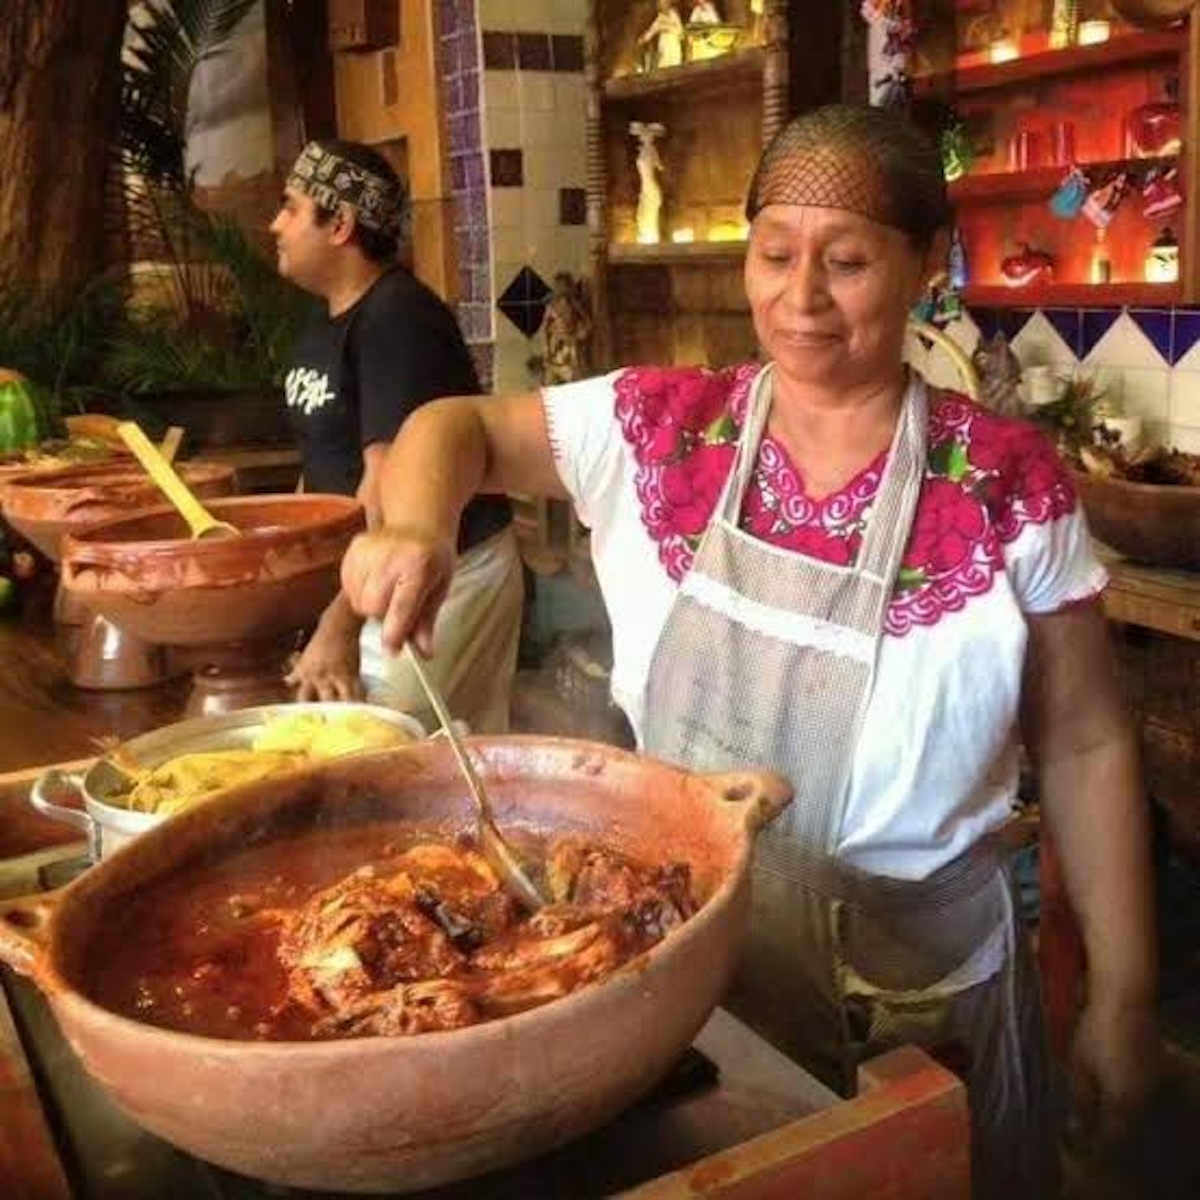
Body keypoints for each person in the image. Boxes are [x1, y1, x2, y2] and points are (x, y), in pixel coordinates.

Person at [336, 106, 1160, 1196]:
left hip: (919, 1004)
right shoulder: (664, 428)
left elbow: (1089, 742)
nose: (802, 296)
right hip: (679, 972)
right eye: (776, 254)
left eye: (849, 260)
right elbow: (458, 427)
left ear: (923, 266)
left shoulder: (1005, 481)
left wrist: (1125, 997)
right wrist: (414, 527)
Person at [269, 139, 521, 733]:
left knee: (383, 749)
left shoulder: (398, 321)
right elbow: (323, 458)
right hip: (368, 580)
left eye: (290, 207)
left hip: (438, 578)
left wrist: (337, 628)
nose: (274, 223)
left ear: (340, 224)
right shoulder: (325, 319)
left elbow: (385, 490)